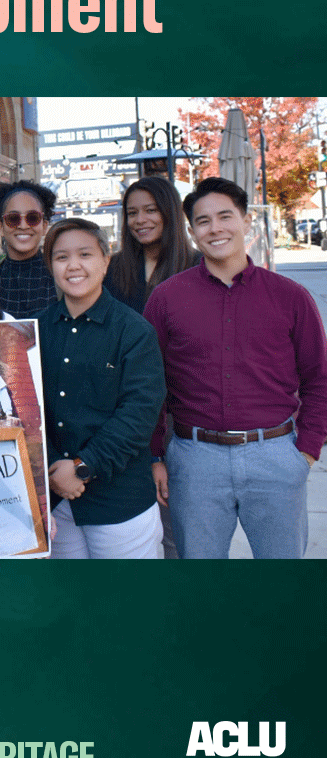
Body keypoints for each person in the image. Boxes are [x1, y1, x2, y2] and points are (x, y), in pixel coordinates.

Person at [144, 177, 327, 558]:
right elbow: (150, 383)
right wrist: (155, 455)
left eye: (225, 216)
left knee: (280, 585)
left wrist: (306, 450)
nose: (216, 228)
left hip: (276, 455)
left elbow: (319, 379)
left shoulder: (291, 297)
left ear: (247, 222)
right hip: (195, 461)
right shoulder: (166, 299)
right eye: (204, 221)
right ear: (192, 232)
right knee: (204, 585)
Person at [38, 218, 167, 559]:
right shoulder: (36, 330)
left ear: (106, 259)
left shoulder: (134, 331)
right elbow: (26, 406)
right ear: (50, 265)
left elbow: (138, 415)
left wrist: (82, 466)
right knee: (72, 606)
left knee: (124, 606)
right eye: (61, 257)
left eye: (85, 254)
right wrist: (53, 467)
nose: (74, 265)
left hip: (120, 503)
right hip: (57, 503)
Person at [105, 176, 199, 314]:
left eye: (150, 210)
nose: (140, 220)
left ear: (170, 212)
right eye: (132, 213)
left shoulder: (199, 266)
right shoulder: (112, 267)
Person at [0, 180, 58, 319]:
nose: (23, 225)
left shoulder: (61, 274)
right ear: (0, 227)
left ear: (44, 226)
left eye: (32, 218)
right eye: (13, 218)